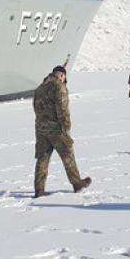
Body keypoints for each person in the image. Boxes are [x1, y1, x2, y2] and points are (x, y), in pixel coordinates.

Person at [33, 66, 91, 198]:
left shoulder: (40, 88)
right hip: (56, 129)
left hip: (41, 128)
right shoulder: (59, 87)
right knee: (68, 154)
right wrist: (66, 128)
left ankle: (39, 189)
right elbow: (63, 109)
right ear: (62, 76)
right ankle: (77, 183)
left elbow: (36, 108)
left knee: (42, 158)